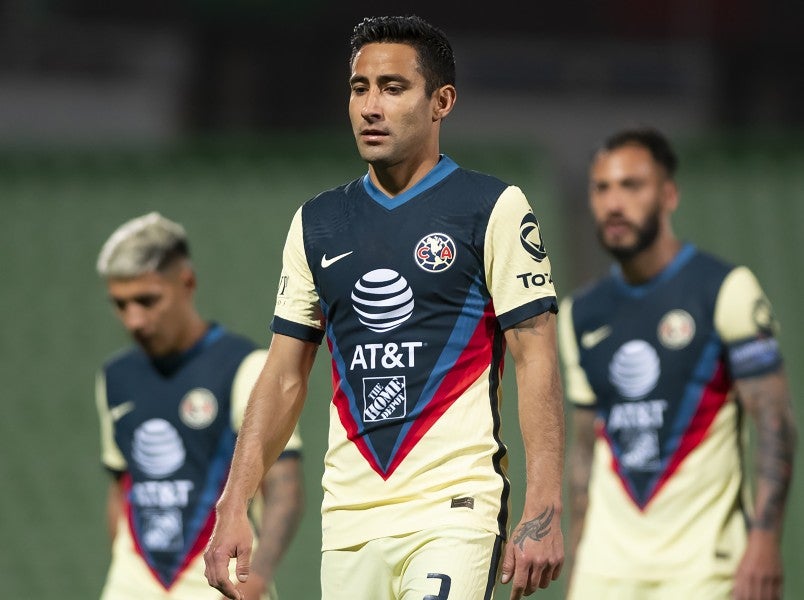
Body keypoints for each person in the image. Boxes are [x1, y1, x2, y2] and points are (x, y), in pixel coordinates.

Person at [204, 15, 565, 600]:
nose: (371, 106)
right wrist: (234, 502)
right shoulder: (316, 223)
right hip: (348, 521)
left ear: (441, 101)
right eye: (359, 88)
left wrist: (543, 505)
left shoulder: (492, 207)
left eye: (393, 88)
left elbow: (535, 355)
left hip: (455, 509)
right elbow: (284, 374)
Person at [559, 128, 797, 600]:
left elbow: (775, 422)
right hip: (605, 574)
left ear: (668, 195)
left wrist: (765, 541)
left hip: (703, 570)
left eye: (631, 185)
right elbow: (586, 450)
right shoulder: (578, 314)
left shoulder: (725, 289)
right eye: (601, 187)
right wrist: (580, 561)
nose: (613, 203)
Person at [94, 212, 304, 600]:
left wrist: (255, 577)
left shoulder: (246, 367)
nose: (134, 319)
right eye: (121, 305)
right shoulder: (114, 377)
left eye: (146, 300)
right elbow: (120, 488)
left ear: (186, 282)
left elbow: (284, 487)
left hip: (220, 584)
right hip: (134, 585)